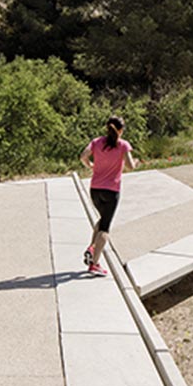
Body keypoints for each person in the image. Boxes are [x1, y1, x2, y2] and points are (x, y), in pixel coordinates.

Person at [80, 115, 138, 277]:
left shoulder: (96, 142)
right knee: (105, 228)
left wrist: (91, 165)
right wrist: (135, 162)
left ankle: (92, 248)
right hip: (111, 191)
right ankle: (94, 263)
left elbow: (83, 156)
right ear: (121, 130)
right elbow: (130, 166)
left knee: (102, 219)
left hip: (95, 189)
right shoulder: (123, 145)